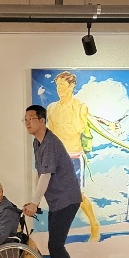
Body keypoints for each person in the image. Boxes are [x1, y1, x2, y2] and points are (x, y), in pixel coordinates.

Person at [21, 104, 85, 258]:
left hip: (67, 199)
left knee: (56, 245)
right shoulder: (37, 143)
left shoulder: (50, 143)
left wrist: (35, 202)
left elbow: (46, 175)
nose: (27, 123)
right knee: (54, 245)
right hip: (57, 201)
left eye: (31, 119)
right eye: (25, 120)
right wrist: (34, 200)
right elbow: (40, 174)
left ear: (42, 121)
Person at [45, 71, 102, 243]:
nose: (59, 88)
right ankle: (59, 233)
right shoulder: (51, 108)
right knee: (56, 197)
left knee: (77, 196)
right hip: (56, 159)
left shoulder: (80, 107)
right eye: (57, 85)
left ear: (71, 86)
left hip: (73, 158)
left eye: (62, 85)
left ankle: (94, 225)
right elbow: (51, 134)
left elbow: (75, 130)